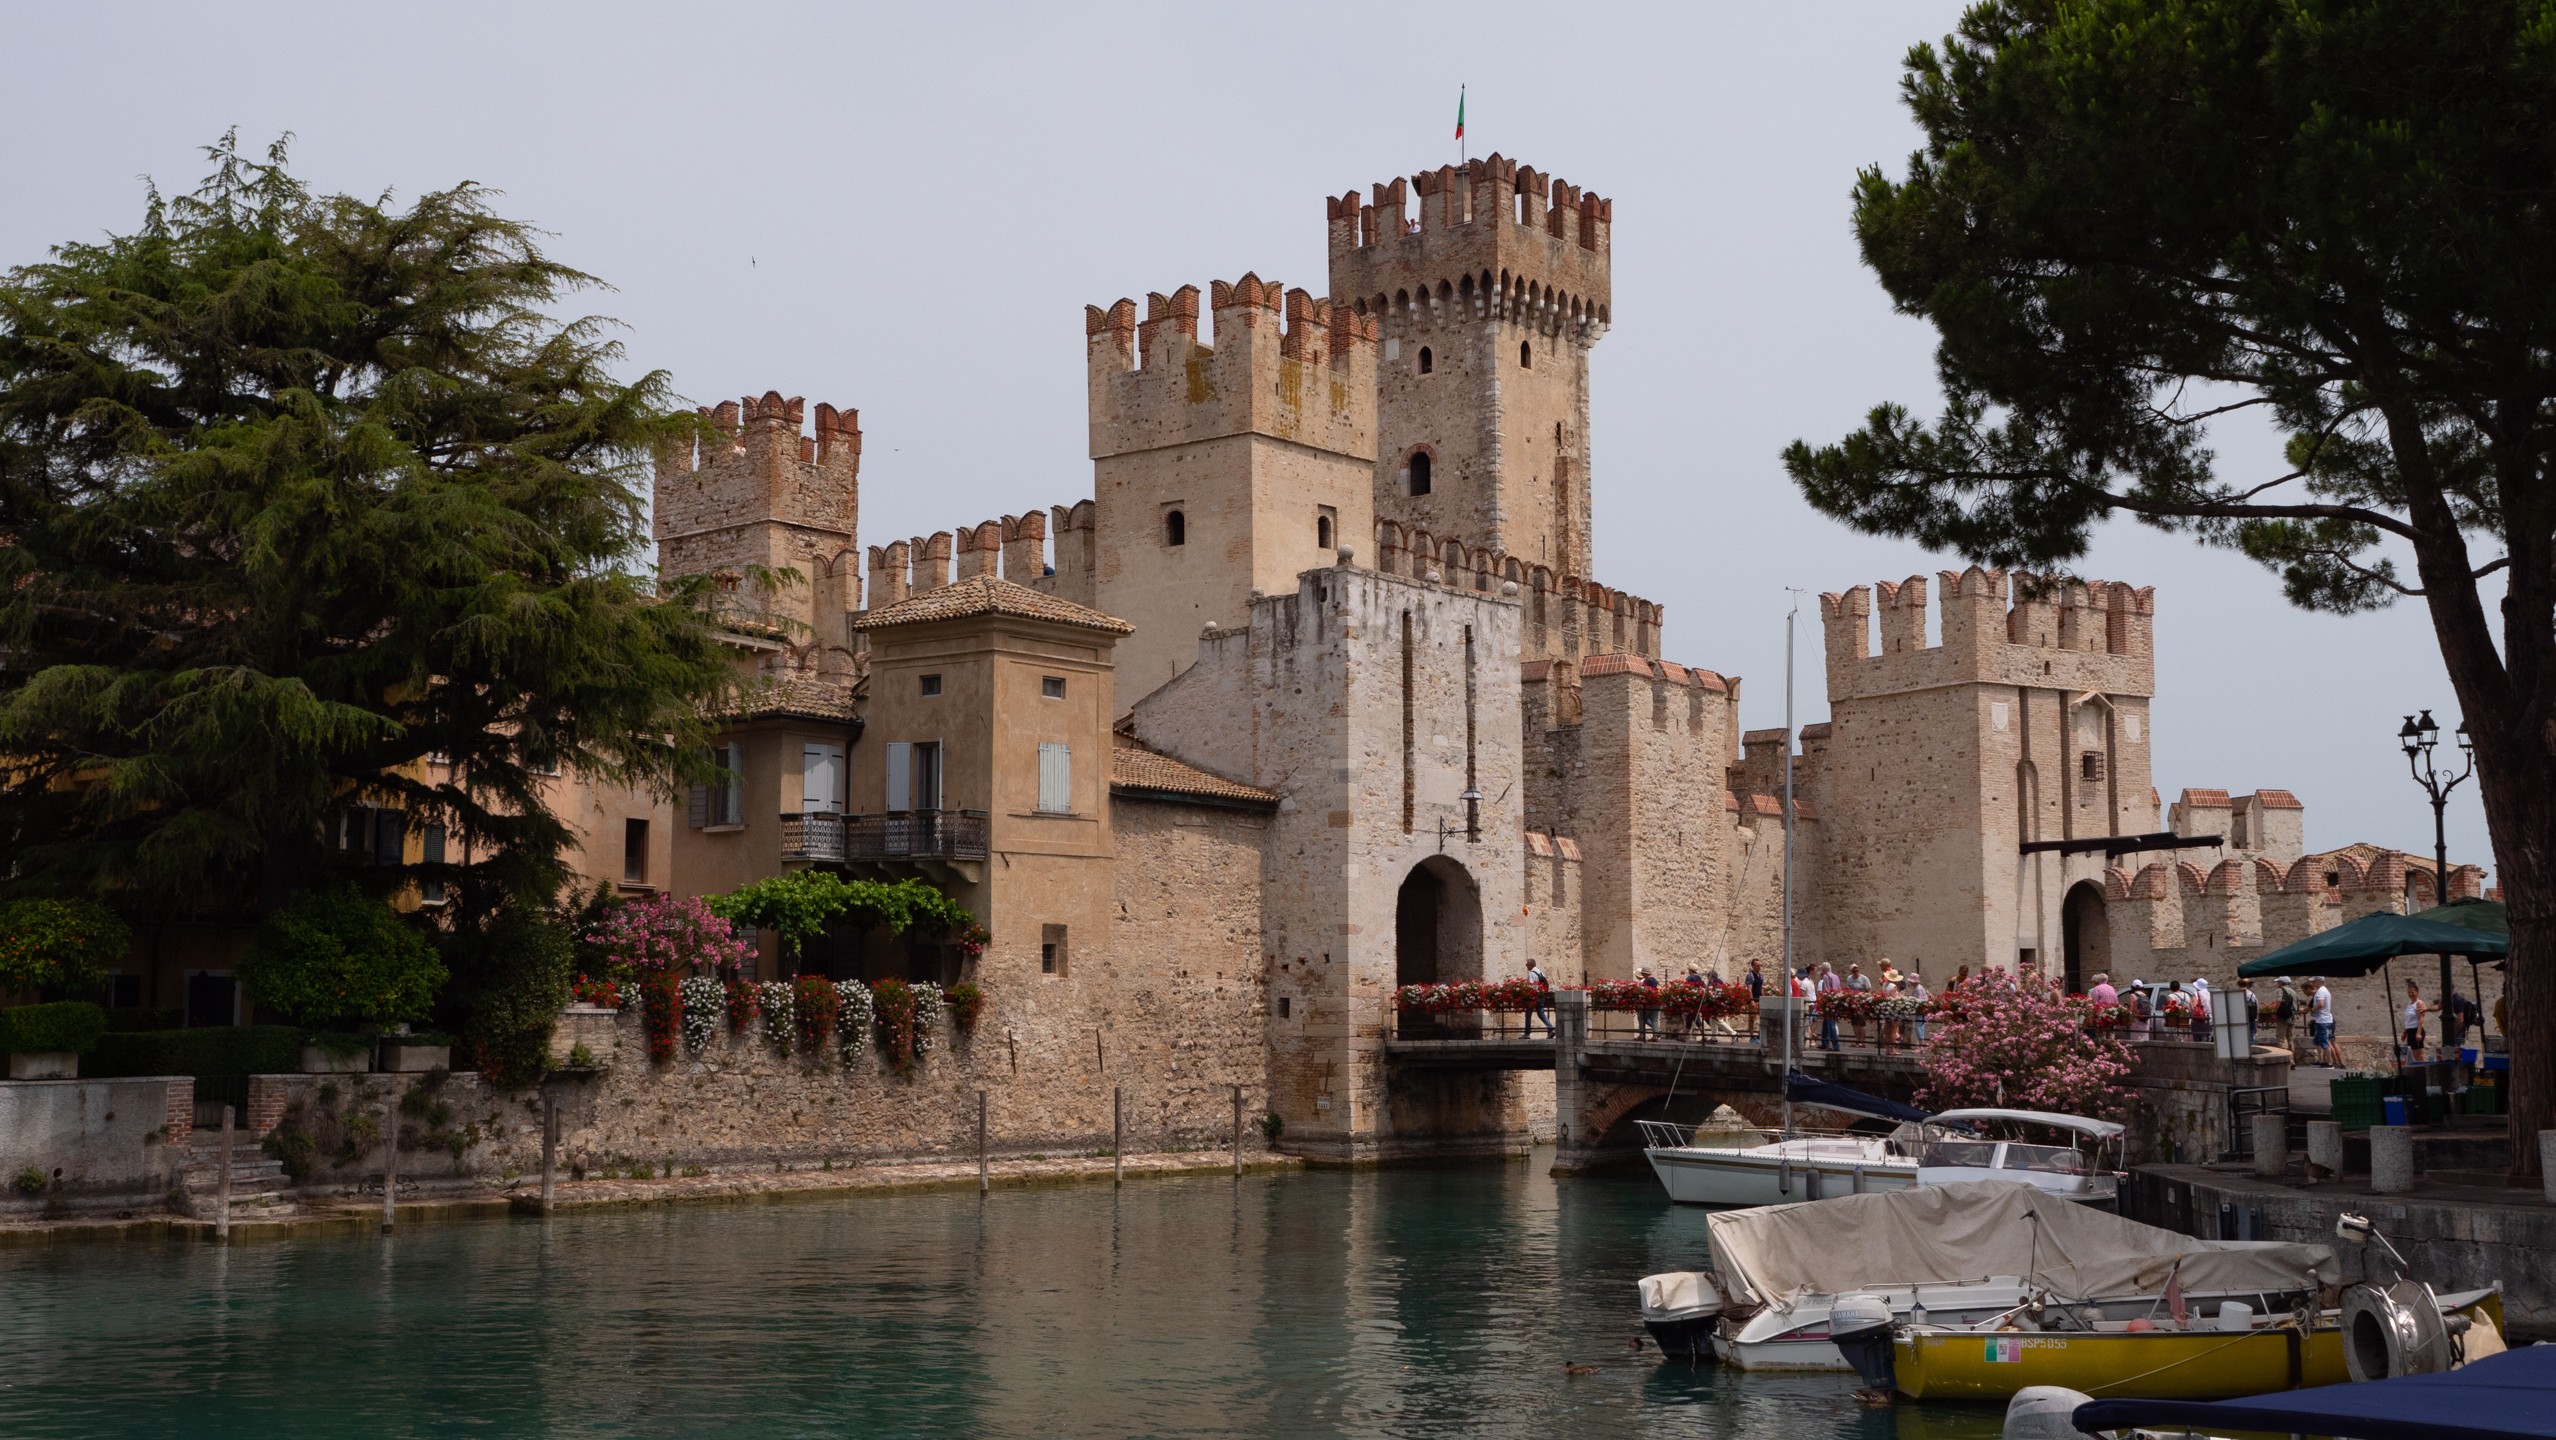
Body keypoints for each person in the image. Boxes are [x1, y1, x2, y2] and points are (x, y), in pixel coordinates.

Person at [2400, 979, 2436, 1065]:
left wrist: (2418, 1033)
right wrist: (2405, 1032)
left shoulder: (2419, 1003)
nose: (2411, 994)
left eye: (2412, 992)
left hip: (2416, 1030)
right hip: (2410, 1031)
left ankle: (2424, 1071)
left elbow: (2421, 1018)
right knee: (2413, 1055)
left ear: (2417, 992)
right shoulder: (2410, 1003)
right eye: (2409, 992)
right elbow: (2408, 1020)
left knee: (2420, 1056)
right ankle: (2418, 1071)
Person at [2310, 978, 2339, 1067]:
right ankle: (2321, 1060)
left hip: (2323, 1020)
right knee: (2318, 1041)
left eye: (2314, 981)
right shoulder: (2323, 990)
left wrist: (2312, 1009)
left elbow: (2320, 1004)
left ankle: (2329, 1063)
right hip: (2321, 1020)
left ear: (2319, 981)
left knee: (2324, 1042)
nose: (2312, 983)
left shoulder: (2321, 991)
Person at [1522, 959, 1554, 1039]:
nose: (1526, 966)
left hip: (1534, 997)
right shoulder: (1540, 972)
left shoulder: (1532, 974)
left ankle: (1527, 1034)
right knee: (1541, 1013)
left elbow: (1531, 986)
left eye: (1527, 964)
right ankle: (1551, 1028)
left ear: (1531, 964)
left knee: (1528, 1014)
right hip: (1541, 996)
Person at [1845, 962, 1875, 1047]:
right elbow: (1848, 989)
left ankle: (1863, 1041)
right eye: (1854, 971)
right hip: (1853, 1002)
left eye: (1857, 970)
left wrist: (1863, 996)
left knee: (1862, 1022)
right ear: (1851, 972)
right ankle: (1857, 1040)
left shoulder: (1864, 978)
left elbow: (1868, 990)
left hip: (1862, 1002)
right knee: (1854, 1022)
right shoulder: (1849, 979)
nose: (1856, 972)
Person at [1816, 962, 1842, 1051]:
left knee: (1830, 1024)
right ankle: (1825, 1043)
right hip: (1836, 1002)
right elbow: (1839, 989)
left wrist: (1824, 1002)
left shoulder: (1826, 977)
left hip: (1829, 1002)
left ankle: (1835, 1045)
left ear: (1824, 969)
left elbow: (1827, 991)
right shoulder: (1836, 977)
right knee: (1827, 1023)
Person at [2273, 977, 2301, 1056]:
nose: (2277, 983)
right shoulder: (2294, 991)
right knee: (2290, 1037)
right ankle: (2292, 1057)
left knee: (2281, 1037)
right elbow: (2298, 1004)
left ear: (2282, 983)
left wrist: (2274, 1012)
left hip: (2283, 1016)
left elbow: (2278, 1001)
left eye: (2278, 982)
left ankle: (2285, 1057)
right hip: (2292, 1016)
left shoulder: (2280, 990)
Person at [1906, 966, 1931, 1045]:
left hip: (1921, 1009)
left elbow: (1920, 1000)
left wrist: (1912, 1000)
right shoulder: (1917, 988)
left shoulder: (1918, 988)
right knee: (1919, 1025)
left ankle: (1921, 1043)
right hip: (1919, 1009)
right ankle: (1920, 1042)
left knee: (1918, 1026)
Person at [1635, 967, 1662, 1041]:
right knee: (1654, 1019)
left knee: (1641, 1016)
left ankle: (1642, 1035)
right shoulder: (1655, 981)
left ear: (1644, 974)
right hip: (1657, 1003)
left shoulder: (1646, 980)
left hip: (1649, 1003)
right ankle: (1656, 1035)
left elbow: (1643, 991)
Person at [2237, 977, 2260, 1053]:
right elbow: (2256, 1007)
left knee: (2240, 1036)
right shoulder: (2251, 994)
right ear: (2247, 984)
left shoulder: (2235, 994)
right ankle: (2252, 1052)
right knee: (2251, 1035)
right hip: (2250, 1017)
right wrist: (2257, 1019)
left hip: (2238, 1017)